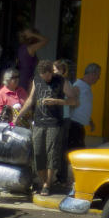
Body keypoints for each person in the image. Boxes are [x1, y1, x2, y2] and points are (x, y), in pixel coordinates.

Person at [17, 60, 74, 196]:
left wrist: (57, 101)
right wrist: (19, 115)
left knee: (52, 154)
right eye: (42, 76)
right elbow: (31, 99)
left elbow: (74, 100)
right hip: (38, 122)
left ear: (51, 72)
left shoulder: (61, 81)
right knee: (38, 154)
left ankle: (47, 184)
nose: (45, 79)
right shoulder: (37, 80)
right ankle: (43, 182)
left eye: (47, 76)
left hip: (54, 123)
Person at [68, 63, 99, 150]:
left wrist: (90, 121)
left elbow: (84, 106)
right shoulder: (78, 86)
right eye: (98, 75)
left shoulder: (86, 87)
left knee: (78, 150)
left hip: (79, 125)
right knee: (77, 150)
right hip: (74, 124)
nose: (98, 79)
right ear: (92, 74)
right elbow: (71, 104)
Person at [16, 28, 48, 97]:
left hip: (21, 76)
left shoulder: (21, 48)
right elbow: (45, 40)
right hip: (27, 78)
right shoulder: (30, 48)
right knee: (26, 100)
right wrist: (33, 34)